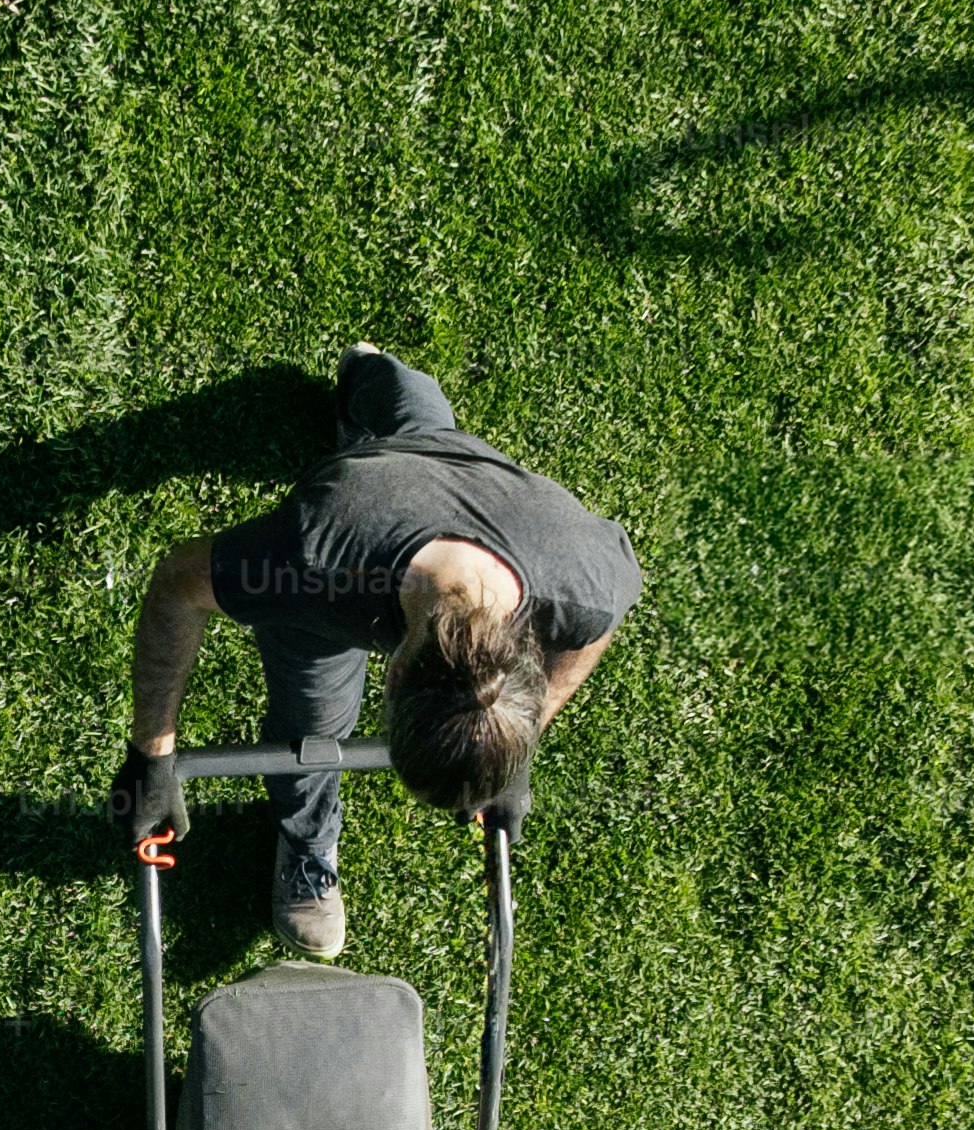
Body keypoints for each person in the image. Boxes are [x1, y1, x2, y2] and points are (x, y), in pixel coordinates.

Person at [109, 343, 639, 956]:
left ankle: (372, 370)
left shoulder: (587, 583)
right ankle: (308, 841)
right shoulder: (313, 558)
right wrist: (151, 756)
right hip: (358, 552)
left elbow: (592, 634)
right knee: (315, 725)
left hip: (465, 479)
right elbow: (179, 582)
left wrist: (513, 743)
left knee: (421, 420)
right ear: (390, 676)